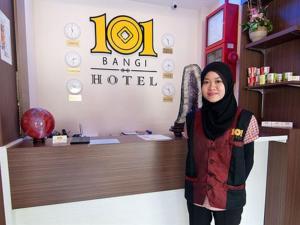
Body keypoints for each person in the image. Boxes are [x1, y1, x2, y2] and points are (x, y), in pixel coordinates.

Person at [184, 61, 259, 225]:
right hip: (197, 194)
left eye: (218, 81)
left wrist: (230, 185)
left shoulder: (246, 119)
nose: (211, 87)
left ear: (228, 84)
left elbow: (248, 160)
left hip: (229, 197)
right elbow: (192, 155)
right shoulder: (191, 119)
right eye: (206, 81)